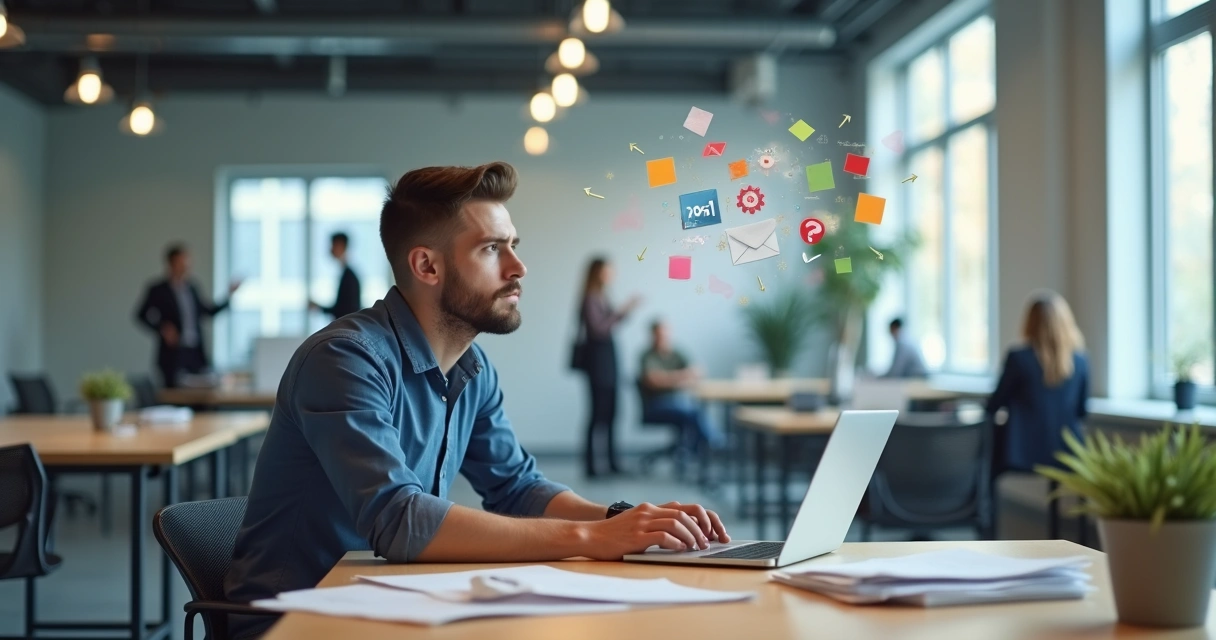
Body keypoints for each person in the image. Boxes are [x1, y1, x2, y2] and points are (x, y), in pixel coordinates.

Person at [224, 162, 729, 639]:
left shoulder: (472, 367)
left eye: (514, 245)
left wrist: (623, 521)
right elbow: (400, 521)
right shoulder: (345, 360)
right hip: (297, 619)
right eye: (492, 249)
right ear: (427, 265)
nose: (519, 267)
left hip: (392, 601)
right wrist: (593, 540)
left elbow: (517, 488)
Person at [986, 291, 1089, 474]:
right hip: (1067, 451)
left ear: (1030, 322)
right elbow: (1081, 411)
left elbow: (995, 404)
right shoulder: (1081, 361)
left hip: (1023, 451)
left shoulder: (1018, 358)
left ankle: (984, 501)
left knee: (987, 450)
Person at [134, 244, 240, 388]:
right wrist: (162, 329)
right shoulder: (158, 289)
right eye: (181, 262)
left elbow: (207, 311)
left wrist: (229, 296)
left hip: (195, 353)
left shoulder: (192, 287)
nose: (186, 266)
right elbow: (140, 315)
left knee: (201, 395)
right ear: (171, 264)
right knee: (173, 395)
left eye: (187, 262)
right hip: (172, 354)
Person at [577, 257, 641, 477]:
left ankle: (612, 463)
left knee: (612, 412)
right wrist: (622, 311)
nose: (612, 274)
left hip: (608, 361)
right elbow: (599, 330)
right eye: (608, 270)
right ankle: (592, 466)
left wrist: (622, 312)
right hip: (598, 363)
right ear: (598, 273)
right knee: (597, 414)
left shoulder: (602, 296)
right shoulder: (591, 298)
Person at [639, 320, 722, 452]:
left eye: (666, 335)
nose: (663, 338)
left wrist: (670, 378)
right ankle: (713, 444)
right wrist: (682, 377)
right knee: (693, 412)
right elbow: (653, 381)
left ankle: (704, 446)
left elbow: (698, 371)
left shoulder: (676, 353)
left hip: (677, 400)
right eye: (659, 335)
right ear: (653, 336)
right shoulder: (647, 356)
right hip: (656, 405)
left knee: (695, 409)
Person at [308, 231, 362, 320]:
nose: (331, 249)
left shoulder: (349, 277)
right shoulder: (347, 274)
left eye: (333, 245)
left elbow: (345, 311)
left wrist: (319, 307)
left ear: (342, 246)